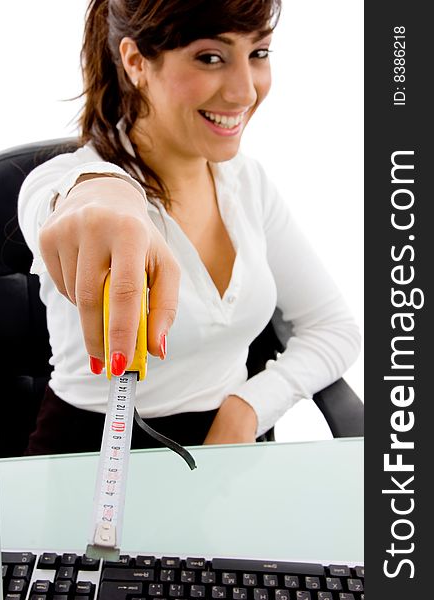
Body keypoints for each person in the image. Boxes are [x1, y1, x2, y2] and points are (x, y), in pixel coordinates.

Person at [18, 0, 360, 455]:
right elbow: (65, 200)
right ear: (136, 61)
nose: (245, 92)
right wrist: (105, 190)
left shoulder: (247, 182)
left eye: (258, 53)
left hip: (227, 456)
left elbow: (334, 327)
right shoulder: (65, 180)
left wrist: (249, 406)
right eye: (210, 57)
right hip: (90, 456)